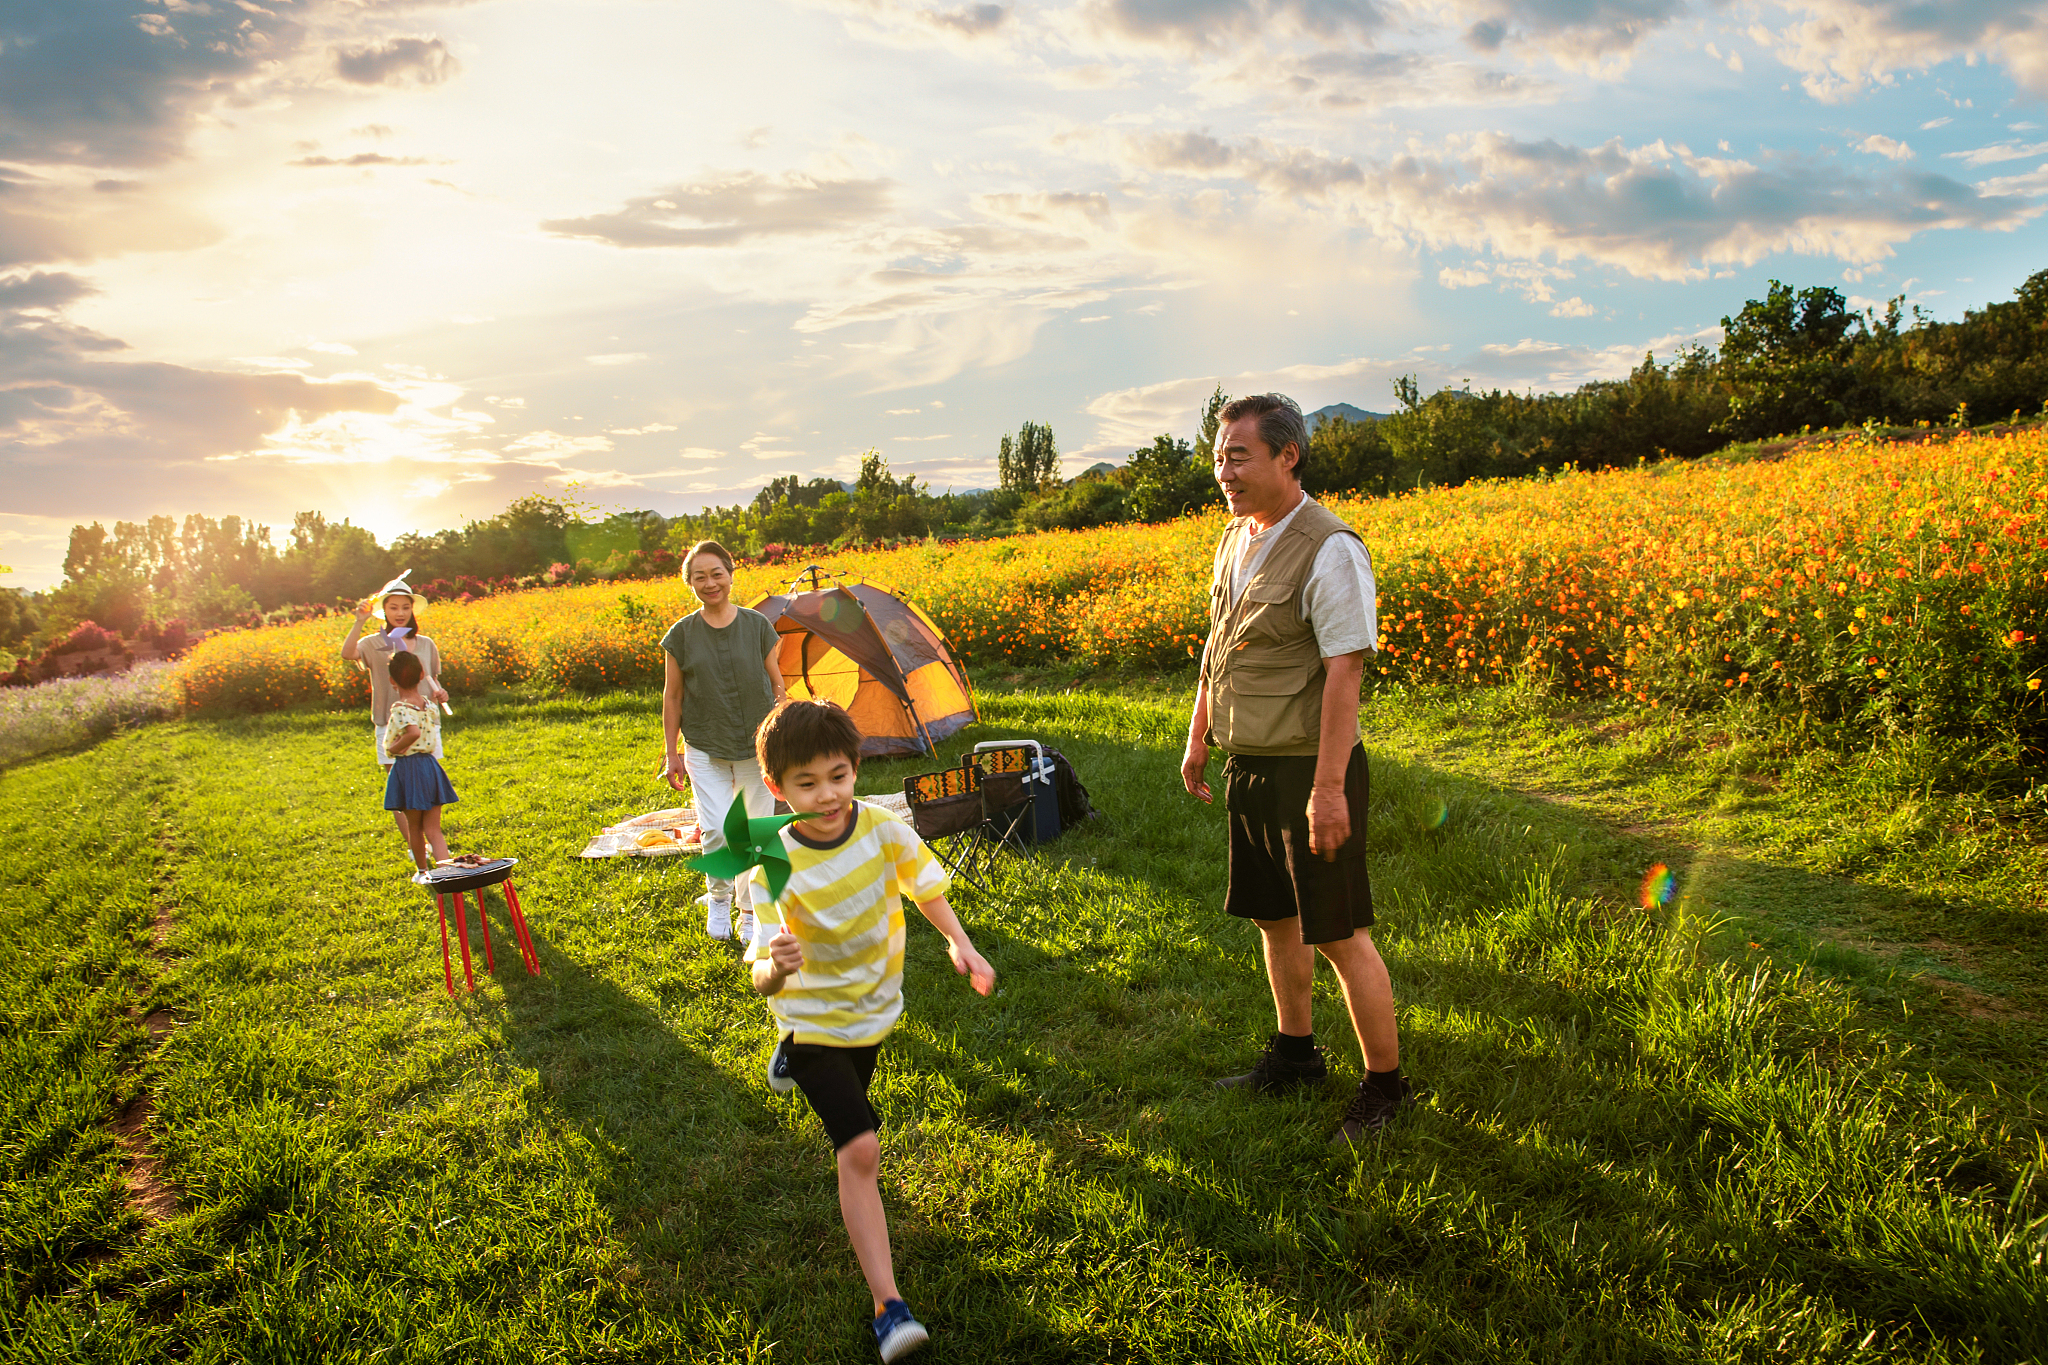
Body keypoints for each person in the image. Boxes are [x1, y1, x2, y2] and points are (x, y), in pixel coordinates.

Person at [1180, 392, 1413, 1144]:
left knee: (1341, 933)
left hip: (1311, 771)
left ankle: (1386, 1087)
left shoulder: (1331, 547)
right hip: (1250, 763)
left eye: (1239, 455)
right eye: (1220, 455)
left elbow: (1345, 670)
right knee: (1275, 922)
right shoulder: (1234, 538)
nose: (1225, 470)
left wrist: (1327, 789)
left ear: (1289, 455)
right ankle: (1295, 1054)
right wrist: (1199, 734)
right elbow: (1221, 644)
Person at [744, 700, 994, 1362]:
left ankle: (791, 1061)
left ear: (855, 770)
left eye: (838, 775)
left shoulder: (883, 830)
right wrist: (774, 964)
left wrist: (960, 944)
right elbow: (758, 972)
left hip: (873, 1010)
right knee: (859, 1150)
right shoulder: (770, 859)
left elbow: (925, 885)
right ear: (776, 788)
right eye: (806, 782)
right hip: (811, 1015)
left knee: (855, 1117)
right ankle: (889, 1307)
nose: (826, 794)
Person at [659, 540, 787, 944]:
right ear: (690, 583)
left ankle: (749, 912)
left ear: (731, 575)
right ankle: (719, 897)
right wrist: (671, 753)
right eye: (700, 577)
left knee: (752, 832)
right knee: (715, 830)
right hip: (705, 746)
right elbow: (673, 696)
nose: (710, 583)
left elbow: (775, 681)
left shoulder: (757, 626)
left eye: (717, 573)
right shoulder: (680, 635)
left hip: (756, 748)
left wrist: (783, 726)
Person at [342, 575, 452, 865]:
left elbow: (434, 680)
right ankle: (417, 846)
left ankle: (431, 838)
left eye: (405, 607)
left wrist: (441, 694)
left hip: (425, 725)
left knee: (427, 785)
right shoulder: (372, 642)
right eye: (393, 607)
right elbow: (347, 653)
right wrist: (359, 621)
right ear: (384, 610)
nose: (400, 612)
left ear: (412, 610)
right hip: (389, 726)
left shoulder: (426, 644)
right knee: (399, 790)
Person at [382, 650, 458, 875]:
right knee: (434, 828)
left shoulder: (400, 709)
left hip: (409, 769)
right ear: (422, 674)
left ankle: (423, 872)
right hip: (430, 766)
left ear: (391, 680)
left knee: (415, 827)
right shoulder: (429, 706)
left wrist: (392, 749)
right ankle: (447, 871)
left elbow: (412, 733)